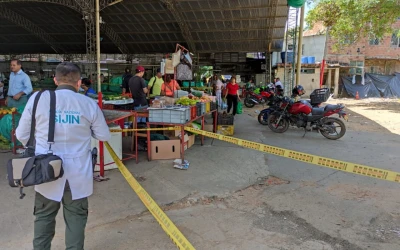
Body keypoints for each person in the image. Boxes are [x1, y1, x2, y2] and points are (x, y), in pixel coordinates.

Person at [15, 62, 111, 250]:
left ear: (55, 80)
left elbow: (21, 135)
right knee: (75, 220)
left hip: (46, 171)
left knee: (44, 217)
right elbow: (104, 135)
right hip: (78, 174)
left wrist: (40, 148)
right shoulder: (88, 103)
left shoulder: (38, 99)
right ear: (79, 82)